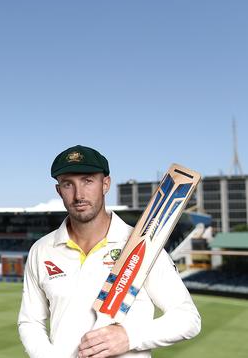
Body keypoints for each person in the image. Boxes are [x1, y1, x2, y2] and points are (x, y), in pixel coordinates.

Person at [18, 145, 201, 358]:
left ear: (105, 184)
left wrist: (129, 337)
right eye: (68, 184)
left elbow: (188, 319)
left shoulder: (144, 247)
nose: (79, 195)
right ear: (59, 190)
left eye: (88, 181)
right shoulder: (42, 250)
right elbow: (30, 321)